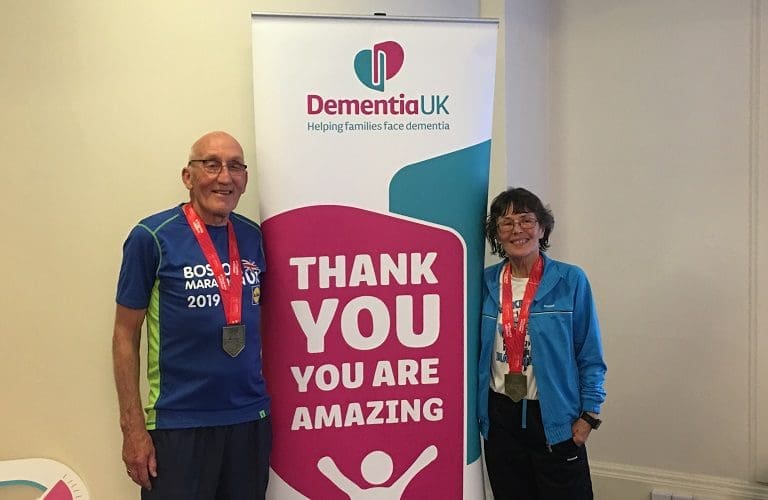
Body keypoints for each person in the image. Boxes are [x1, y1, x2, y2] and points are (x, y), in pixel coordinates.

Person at [112, 131, 271, 499]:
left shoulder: (254, 237)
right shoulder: (151, 237)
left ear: (245, 179)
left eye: (235, 166)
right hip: (178, 423)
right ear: (188, 176)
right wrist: (132, 427)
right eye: (211, 164)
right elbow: (124, 335)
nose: (224, 176)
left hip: (248, 419)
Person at [477, 187, 606, 500]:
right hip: (501, 417)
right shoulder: (484, 282)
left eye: (526, 220)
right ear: (496, 233)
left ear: (543, 228)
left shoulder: (570, 280)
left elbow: (589, 353)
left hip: (554, 418)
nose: (517, 230)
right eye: (506, 223)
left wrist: (589, 415)